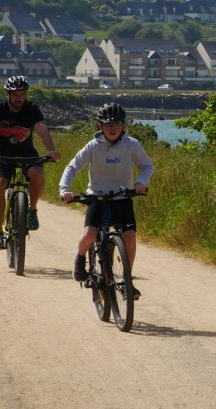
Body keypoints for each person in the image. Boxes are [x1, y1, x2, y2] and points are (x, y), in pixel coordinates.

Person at [59, 102, 154, 288]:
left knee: (130, 237)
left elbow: (147, 166)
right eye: (108, 124)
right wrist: (65, 189)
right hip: (97, 197)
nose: (112, 128)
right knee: (89, 234)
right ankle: (80, 259)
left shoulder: (131, 145)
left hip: (122, 197)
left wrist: (141, 182)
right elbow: (72, 167)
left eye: (117, 124)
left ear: (123, 126)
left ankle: (126, 279)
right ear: (100, 126)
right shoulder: (93, 146)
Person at [0, 75, 61, 249]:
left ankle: (32, 210)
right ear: (7, 94)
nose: (19, 99)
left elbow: (41, 129)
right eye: (15, 95)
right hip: (2, 155)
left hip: (26, 154)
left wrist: (51, 150)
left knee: (37, 173)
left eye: (22, 94)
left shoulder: (32, 109)